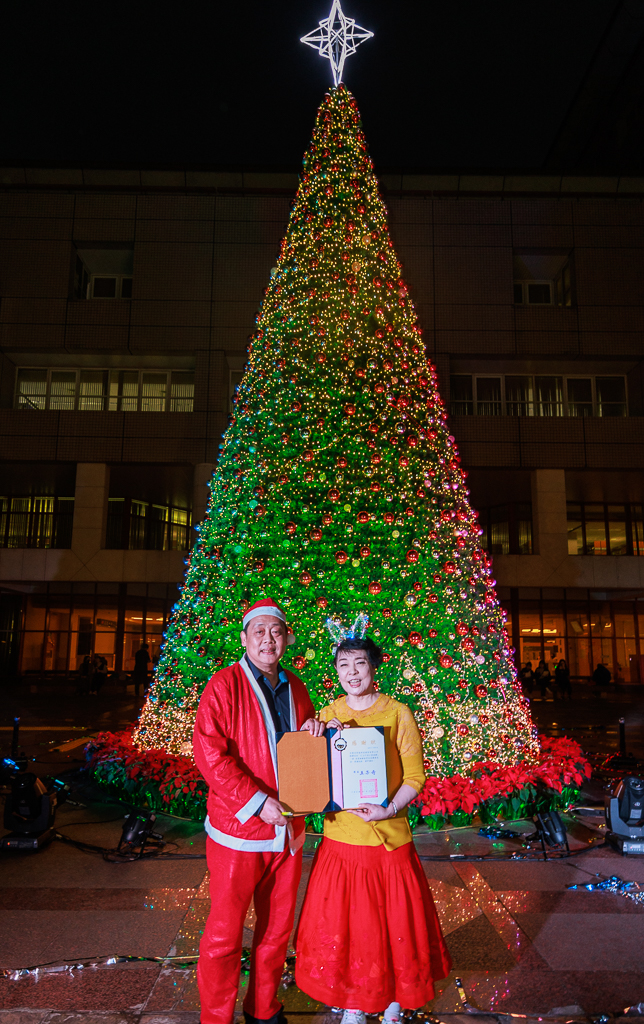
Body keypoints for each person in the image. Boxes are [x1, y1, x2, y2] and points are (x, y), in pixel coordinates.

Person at [295, 629, 452, 1024]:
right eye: (343, 664)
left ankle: (394, 998)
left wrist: (388, 809)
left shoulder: (398, 712)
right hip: (342, 839)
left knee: (392, 926)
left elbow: (415, 776)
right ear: (335, 670)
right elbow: (310, 782)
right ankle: (353, 999)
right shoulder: (327, 714)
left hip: (387, 840)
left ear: (373, 667)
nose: (352, 672)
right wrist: (310, 737)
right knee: (347, 927)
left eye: (359, 663)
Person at [193, 598, 321, 1024]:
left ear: (287, 638)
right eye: (259, 632)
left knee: (276, 931)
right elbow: (210, 755)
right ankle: (216, 1017)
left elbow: (301, 748)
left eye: (276, 632)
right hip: (239, 831)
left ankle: (264, 1010)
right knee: (224, 934)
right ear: (245, 638)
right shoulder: (222, 686)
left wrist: (319, 733)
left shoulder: (297, 687)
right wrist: (257, 802)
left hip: (287, 829)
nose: (268, 640)